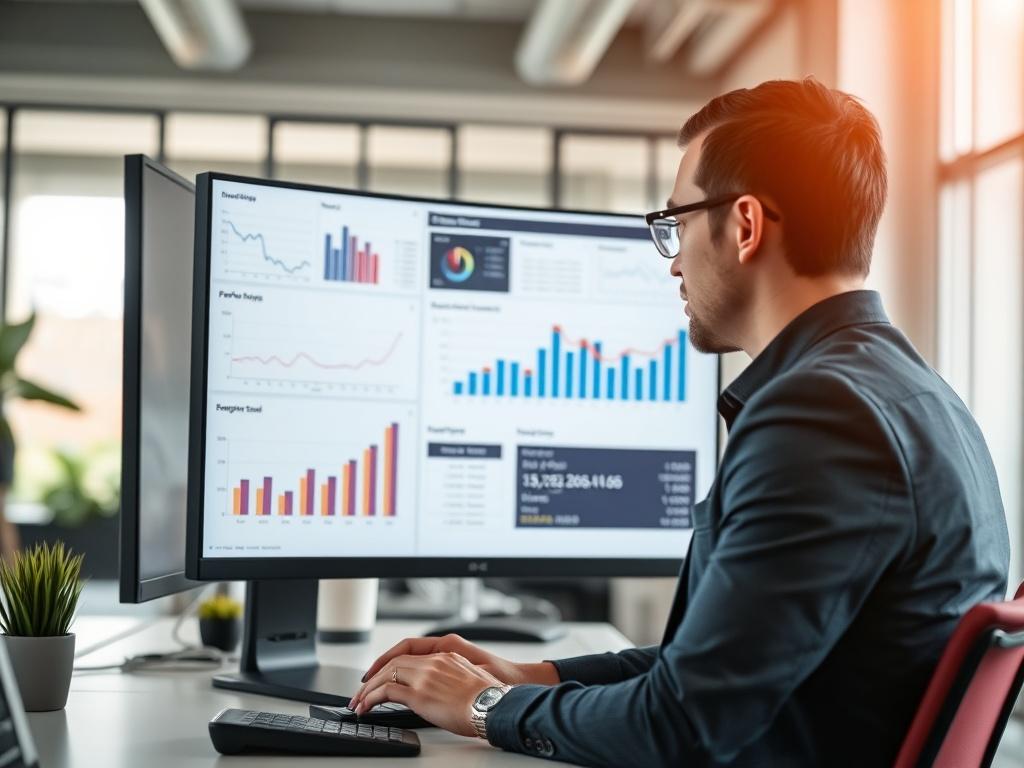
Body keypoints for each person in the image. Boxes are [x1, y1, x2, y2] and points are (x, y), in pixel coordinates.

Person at [348, 78, 1011, 767]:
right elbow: (717, 664)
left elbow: (683, 724)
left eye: (677, 225)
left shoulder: (820, 417)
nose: (672, 263)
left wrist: (483, 709)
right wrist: (531, 678)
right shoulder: (919, 397)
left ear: (746, 226)